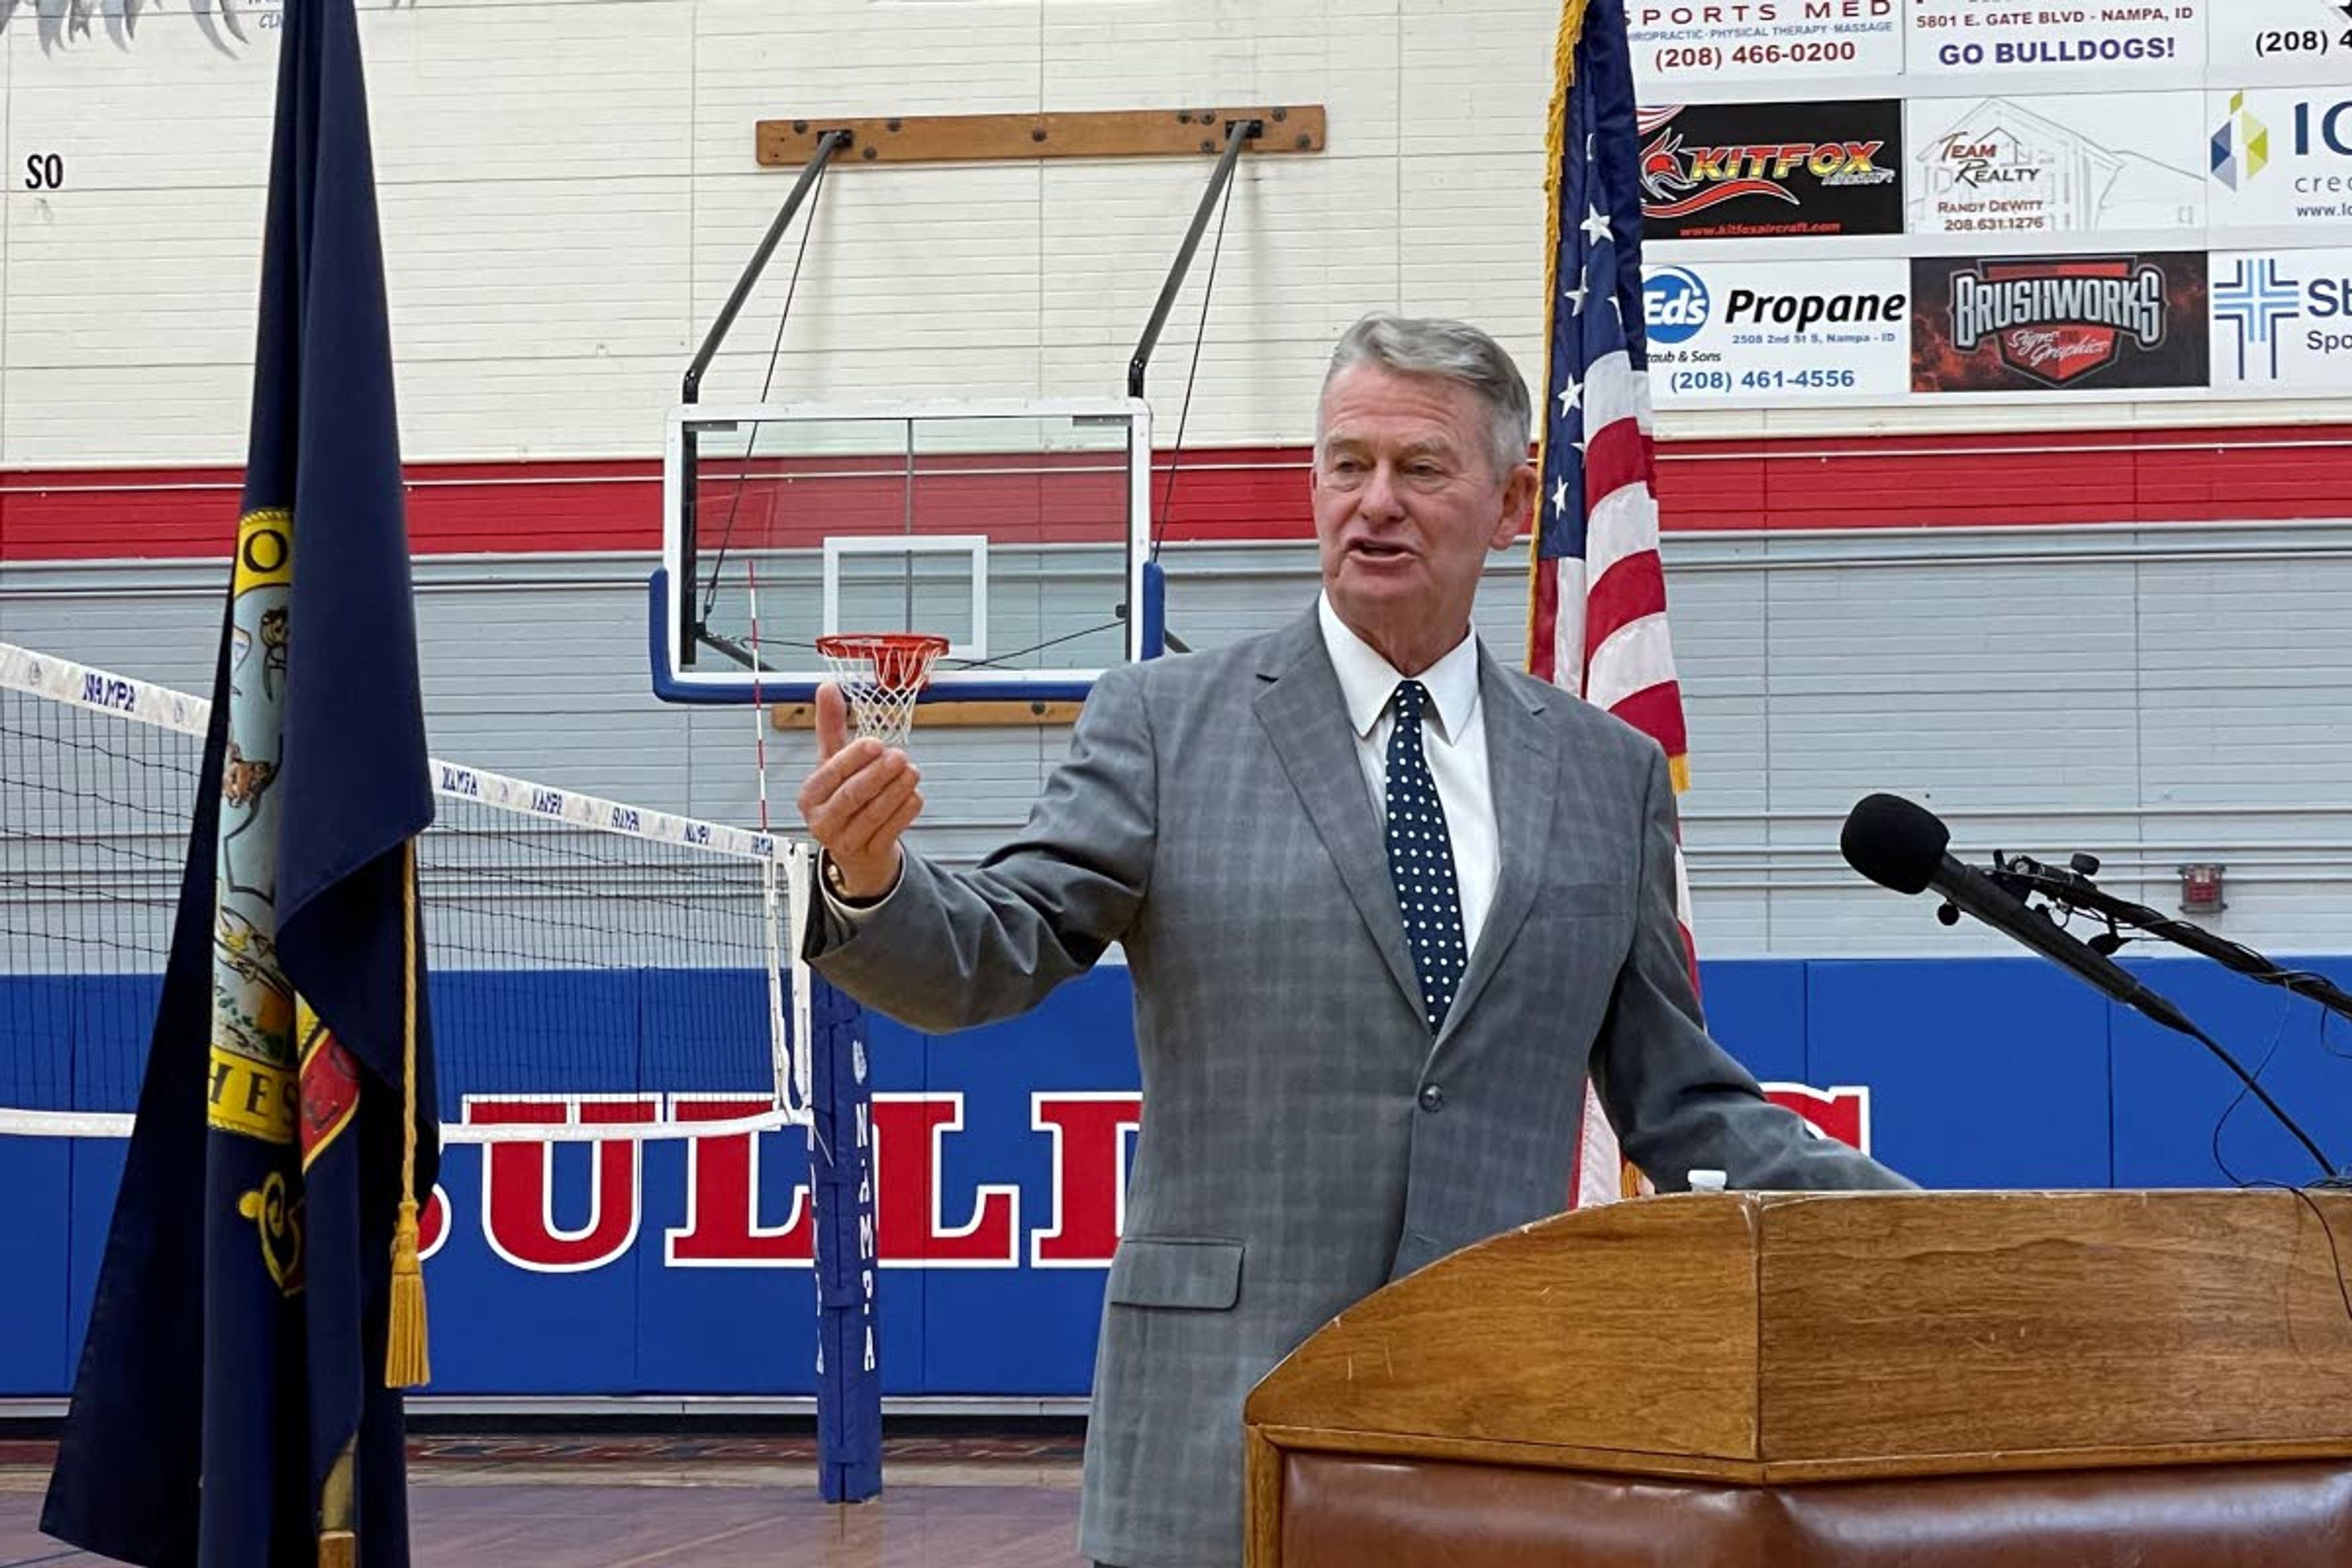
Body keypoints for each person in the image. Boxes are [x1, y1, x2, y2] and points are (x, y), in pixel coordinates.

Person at [796, 314, 1915, 1568]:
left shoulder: (1612, 775)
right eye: (1345, 464)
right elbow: (995, 947)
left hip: (1497, 1435)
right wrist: (873, 877)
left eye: (1421, 468)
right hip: (1213, 1442)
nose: (1374, 503)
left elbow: (1685, 1100)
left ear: (1513, 499)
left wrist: (1917, 1226)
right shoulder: (1164, 723)